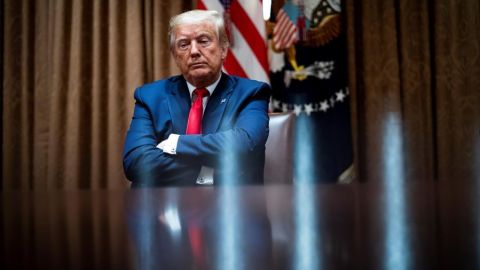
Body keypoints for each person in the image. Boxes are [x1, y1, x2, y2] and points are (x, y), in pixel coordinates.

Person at [123, 10, 271, 187]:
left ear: (224, 49)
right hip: (163, 208)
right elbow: (136, 163)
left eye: (203, 41)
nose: (194, 51)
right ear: (174, 55)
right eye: (183, 44)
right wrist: (210, 169)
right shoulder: (149, 96)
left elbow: (243, 145)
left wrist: (176, 143)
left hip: (232, 207)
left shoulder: (251, 93)